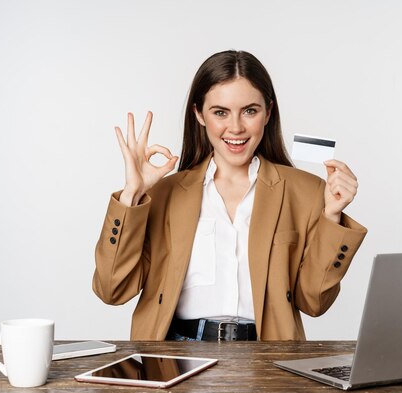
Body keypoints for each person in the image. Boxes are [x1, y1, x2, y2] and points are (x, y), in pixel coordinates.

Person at [92, 50, 367, 341]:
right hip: (176, 355)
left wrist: (332, 215)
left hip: (267, 360)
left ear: (268, 112)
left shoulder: (308, 192)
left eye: (250, 111)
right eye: (220, 112)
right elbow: (112, 290)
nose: (235, 127)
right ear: (199, 114)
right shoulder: (163, 194)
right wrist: (131, 196)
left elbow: (314, 302)